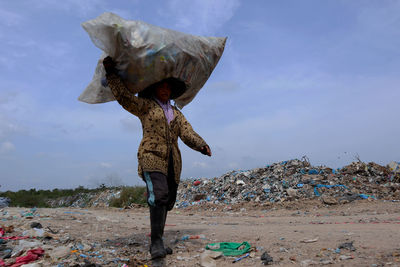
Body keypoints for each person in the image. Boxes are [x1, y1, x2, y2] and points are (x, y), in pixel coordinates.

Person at [103, 56, 211, 259]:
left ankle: (159, 239)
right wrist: (112, 75)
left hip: (172, 161)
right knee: (159, 195)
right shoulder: (146, 106)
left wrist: (202, 145)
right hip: (151, 156)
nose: (165, 89)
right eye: (161, 86)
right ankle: (156, 243)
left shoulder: (177, 114)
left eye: (167, 87)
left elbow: (188, 132)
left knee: (168, 200)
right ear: (153, 89)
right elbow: (125, 98)